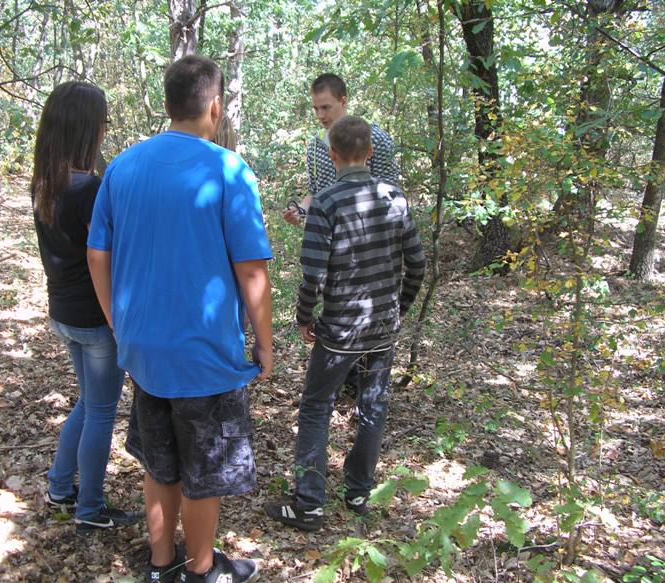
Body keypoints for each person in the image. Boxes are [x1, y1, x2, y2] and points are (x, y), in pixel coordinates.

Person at [87, 55, 272, 583]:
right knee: (203, 473)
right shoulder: (228, 169)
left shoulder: (124, 166)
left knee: (159, 462)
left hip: (144, 350)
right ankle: (202, 570)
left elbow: (96, 254)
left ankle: (160, 564)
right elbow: (251, 270)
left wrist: (118, 322)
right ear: (215, 106)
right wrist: (265, 344)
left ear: (168, 105)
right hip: (203, 354)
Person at [266, 116, 426, 531]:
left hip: (339, 331)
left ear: (333, 155)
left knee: (316, 407)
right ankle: (358, 492)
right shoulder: (394, 196)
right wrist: (398, 309)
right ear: (370, 152)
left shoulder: (326, 202)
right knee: (372, 405)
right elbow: (417, 264)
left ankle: (309, 504)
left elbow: (313, 276)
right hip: (381, 329)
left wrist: (304, 317)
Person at [31, 82, 139, 533]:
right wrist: (117, 317)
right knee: (100, 410)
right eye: (102, 123)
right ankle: (90, 508)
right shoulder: (88, 188)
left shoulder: (45, 182)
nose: (104, 130)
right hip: (95, 319)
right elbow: (104, 254)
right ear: (85, 128)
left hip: (64, 312)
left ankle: (60, 486)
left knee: (90, 402)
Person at [282, 73, 399, 226]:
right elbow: (315, 192)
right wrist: (301, 211)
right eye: (316, 109)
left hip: (370, 232)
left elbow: (391, 192)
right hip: (328, 235)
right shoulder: (315, 147)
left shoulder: (373, 137)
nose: (320, 115)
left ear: (343, 102)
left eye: (325, 107)